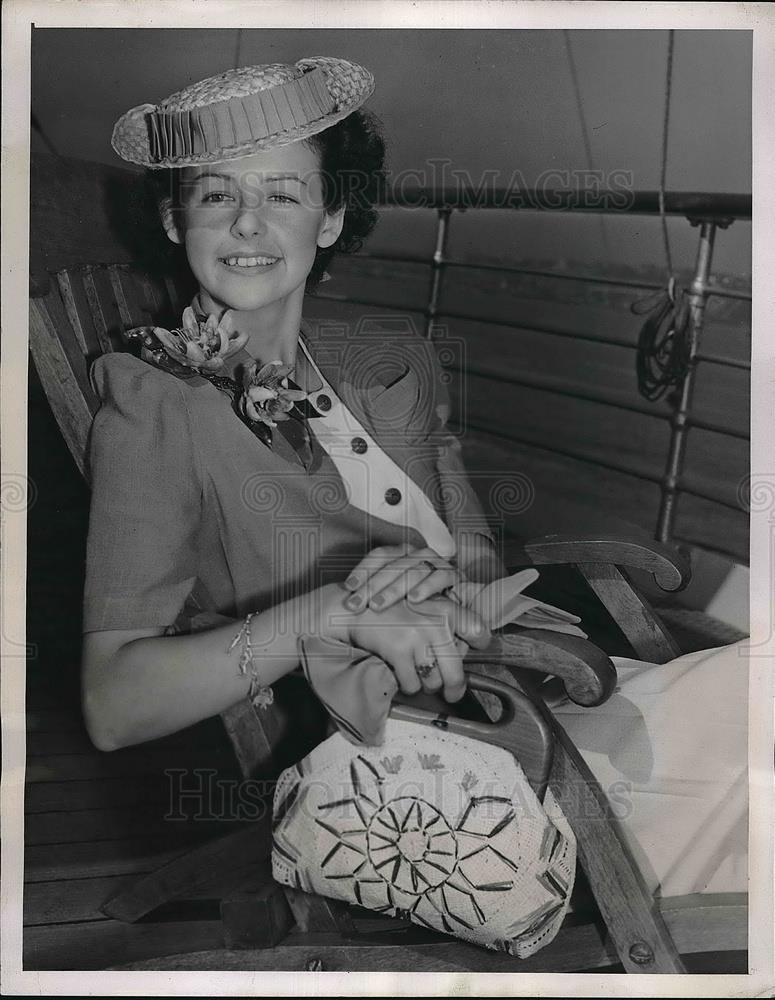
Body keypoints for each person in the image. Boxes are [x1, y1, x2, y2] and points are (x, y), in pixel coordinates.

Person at [81, 56, 746, 907]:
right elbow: (113, 703)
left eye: (283, 194)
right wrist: (333, 610)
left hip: (545, 698)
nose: (248, 224)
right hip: (450, 778)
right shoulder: (155, 404)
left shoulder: (383, 370)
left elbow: (467, 553)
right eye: (217, 195)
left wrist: (450, 576)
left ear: (330, 218)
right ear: (176, 221)